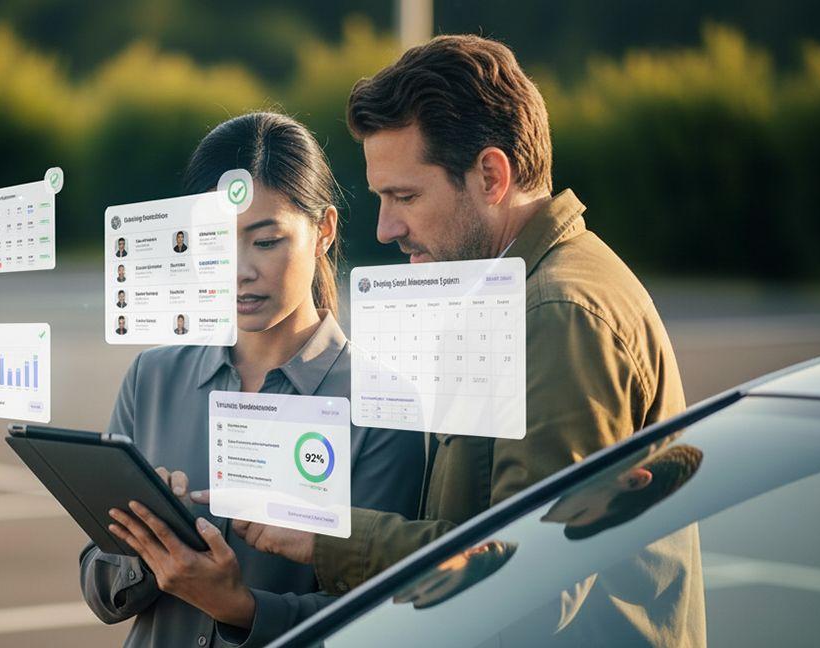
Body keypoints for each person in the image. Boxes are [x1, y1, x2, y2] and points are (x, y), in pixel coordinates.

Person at [231, 34, 692, 602]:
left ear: (492, 177)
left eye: (404, 196)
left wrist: (330, 537)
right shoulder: (504, 289)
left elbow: (535, 577)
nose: (384, 228)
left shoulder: (556, 313)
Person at [79, 112, 425, 647]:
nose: (237, 270)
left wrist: (240, 608)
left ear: (324, 230)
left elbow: (382, 614)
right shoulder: (153, 378)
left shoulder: (381, 406)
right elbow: (97, 583)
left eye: (265, 242)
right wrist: (150, 554)